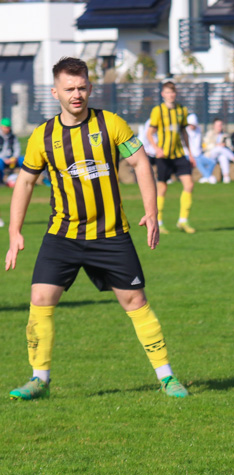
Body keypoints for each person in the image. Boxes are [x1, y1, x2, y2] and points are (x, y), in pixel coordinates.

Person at [4, 57, 188, 400]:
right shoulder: (42, 136)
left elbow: (140, 162)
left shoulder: (110, 124)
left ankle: (167, 377)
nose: (77, 94)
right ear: (55, 91)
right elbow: (25, 183)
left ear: (90, 87)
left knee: (135, 300)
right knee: (40, 298)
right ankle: (39, 379)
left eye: (82, 87)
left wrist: (150, 210)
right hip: (63, 235)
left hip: (111, 235)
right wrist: (15, 232)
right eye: (69, 89)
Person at [147, 81, 197, 234]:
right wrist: (157, 149)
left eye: (173, 92)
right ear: (163, 94)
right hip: (164, 155)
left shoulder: (182, 109)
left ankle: (183, 221)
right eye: (168, 92)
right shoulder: (158, 111)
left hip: (179, 155)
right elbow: (149, 133)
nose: (171, 95)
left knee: (189, 184)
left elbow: (184, 133)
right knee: (162, 188)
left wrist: (190, 152)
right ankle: (159, 222)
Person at [202, 117, 234, 183]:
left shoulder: (225, 135)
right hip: (210, 154)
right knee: (219, 148)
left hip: (221, 154)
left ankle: (226, 177)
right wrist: (216, 145)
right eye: (218, 125)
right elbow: (205, 146)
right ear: (214, 126)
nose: (219, 127)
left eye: (221, 125)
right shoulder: (209, 134)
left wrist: (225, 145)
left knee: (223, 157)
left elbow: (230, 147)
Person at [185, 113, 218, 184]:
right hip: (188, 155)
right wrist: (192, 156)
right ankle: (209, 177)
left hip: (198, 155)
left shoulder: (198, 130)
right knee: (198, 161)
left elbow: (198, 145)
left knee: (212, 162)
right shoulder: (185, 131)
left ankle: (206, 177)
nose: (192, 126)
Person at [1, 117, 24, 188]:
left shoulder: (13, 137)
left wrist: (15, 157)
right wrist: (4, 159)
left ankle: (25, 181)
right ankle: (1, 181)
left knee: (24, 161)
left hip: (12, 158)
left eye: (8, 127)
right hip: (2, 159)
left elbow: (17, 148)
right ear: (1, 127)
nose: (7, 129)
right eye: (6, 127)